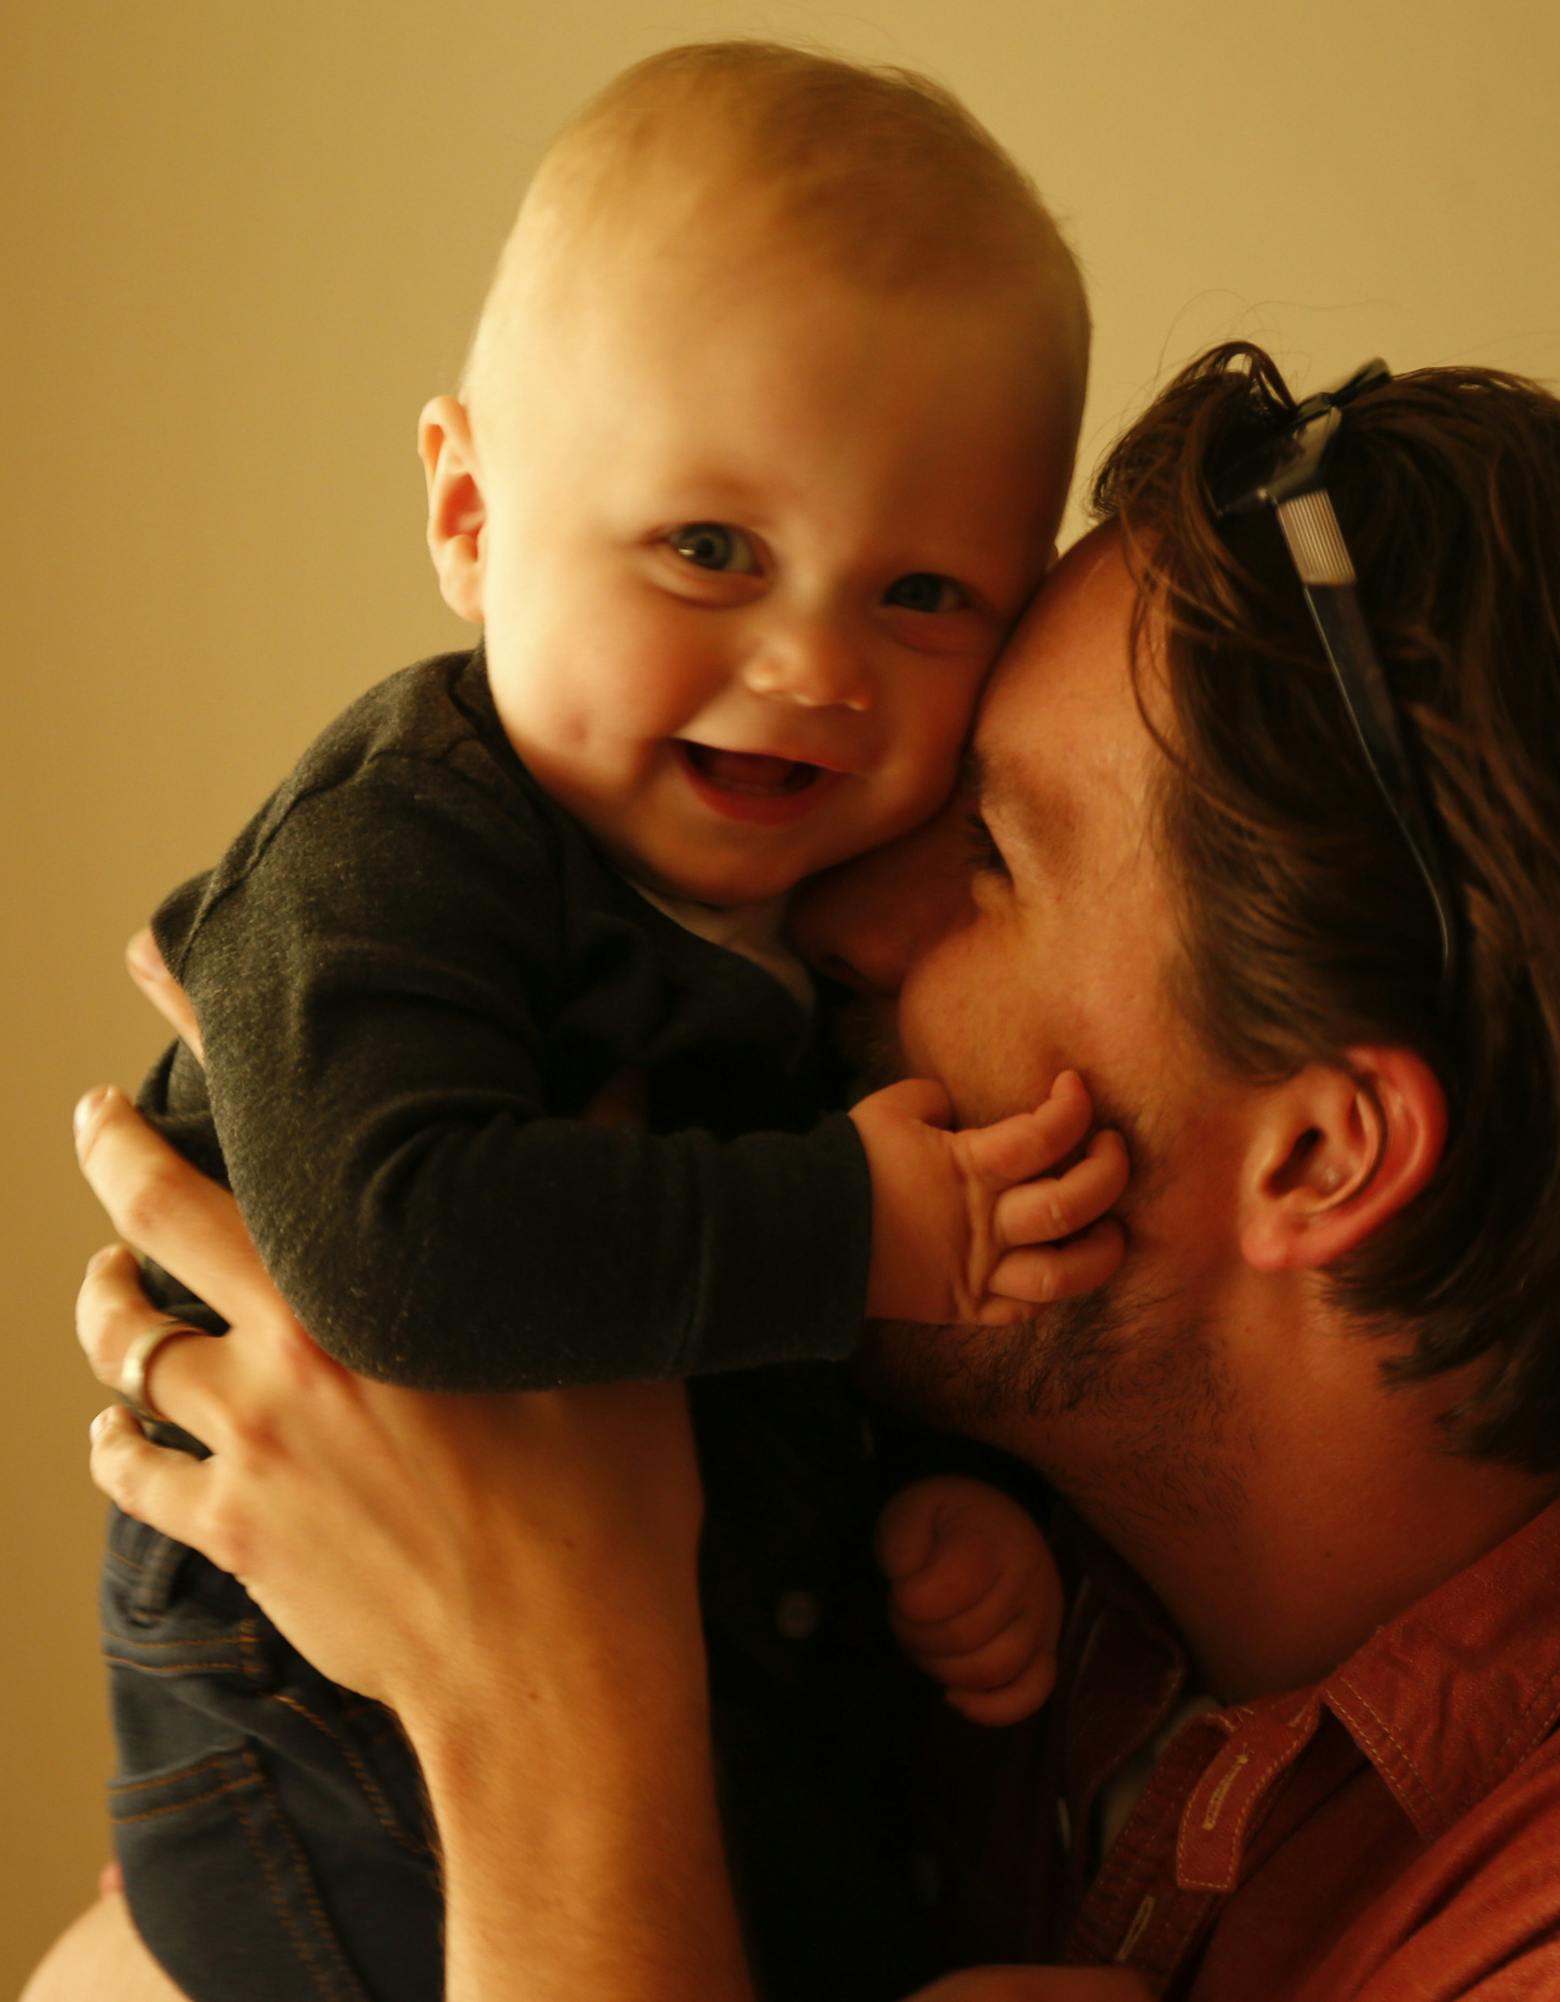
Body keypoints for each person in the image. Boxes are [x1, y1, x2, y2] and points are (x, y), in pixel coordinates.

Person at [47, 344, 1560, 2000]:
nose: (834, 918)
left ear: (1321, 1153)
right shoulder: (1022, 1510)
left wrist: (550, 1727)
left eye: (987, 855)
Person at [95, 40, 1117, 2002]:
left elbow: (743, 1356)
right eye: (711, 550)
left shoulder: (822, 916)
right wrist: (850, 1227)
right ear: (473, 513)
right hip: (329, 1753)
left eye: (923, 591)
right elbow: (395, 1254)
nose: (812, 665)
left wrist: (944, 1507)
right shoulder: (397, 847)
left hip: (682, 1702)